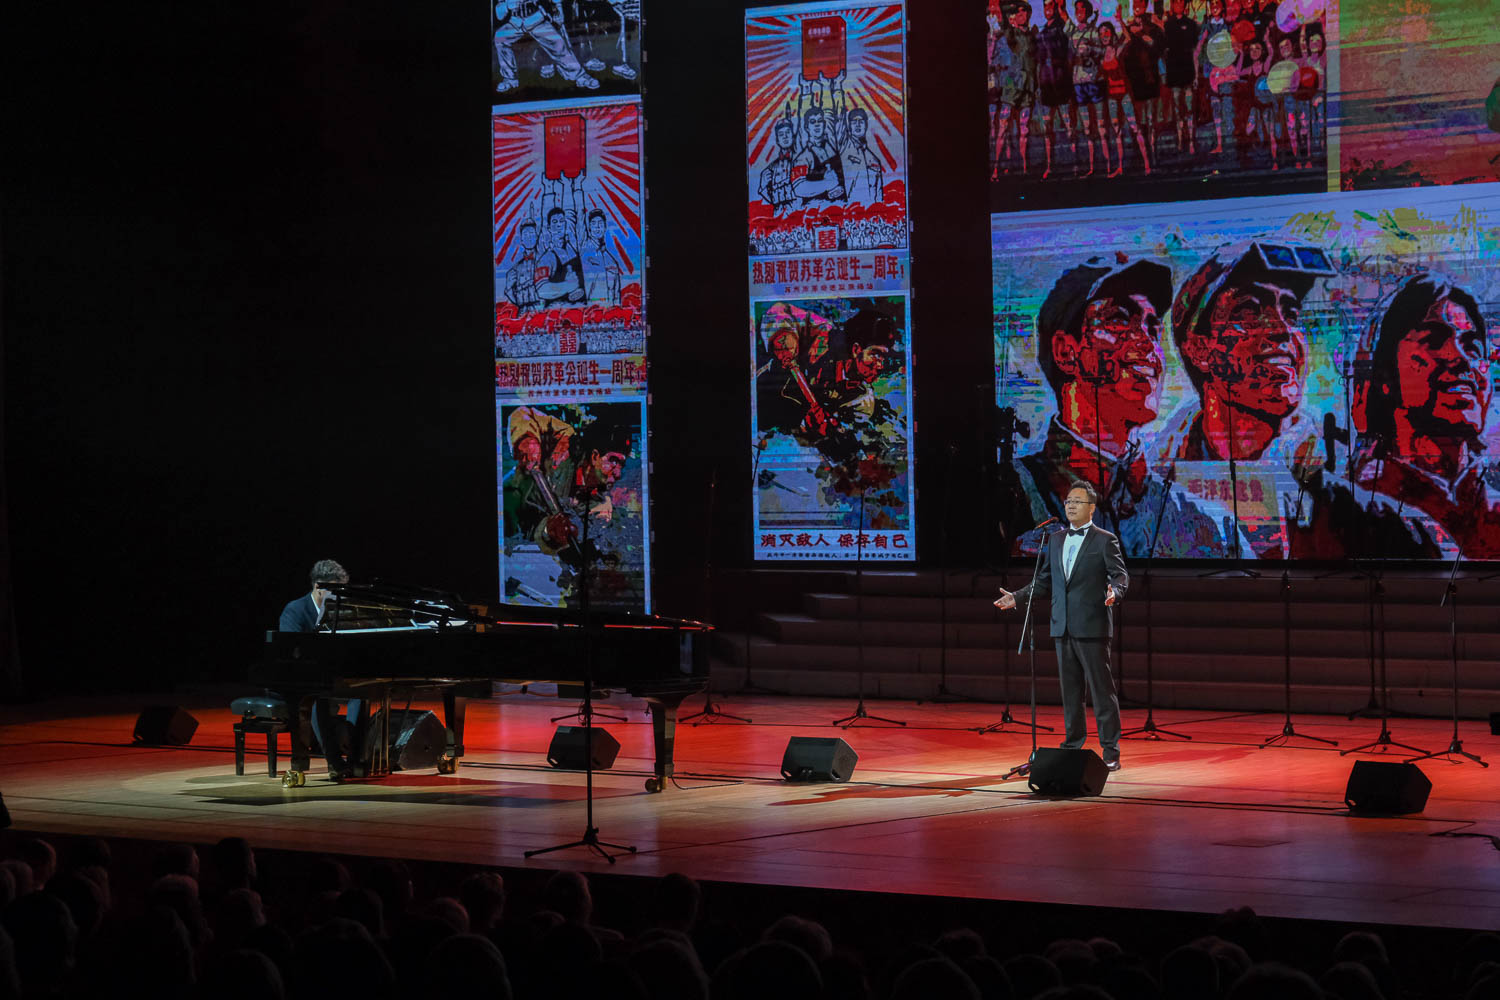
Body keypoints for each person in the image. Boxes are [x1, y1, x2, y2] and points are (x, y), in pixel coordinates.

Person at [997, 256, 1242, 557]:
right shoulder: (1011, 492)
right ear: (1066, 352)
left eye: (1153, 328)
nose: (1148, 343)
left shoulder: (1198, 522)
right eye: (1118, 319)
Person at [1346, 273, 1500, 557]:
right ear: (1384, 374)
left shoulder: (1491, 499)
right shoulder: (1358, 504)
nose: (1461, 358)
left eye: (1473, 347)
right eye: (1434, 341)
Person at [994, 480, 1129, 771]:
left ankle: (1110, 752)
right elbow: (1044, 581)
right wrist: (1017, 597)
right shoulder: (1055, 539)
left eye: (1078, 501)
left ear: (1091, 508)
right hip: (1062, 625)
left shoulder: (1105, 540)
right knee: (1071, 693)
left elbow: (1120, 575)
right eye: (1068, 501)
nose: (1071, 505)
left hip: (1092, 625)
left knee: (1101, 691)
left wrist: (1115, 592)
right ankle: (1072, 746)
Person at [278, 559, 368, 779]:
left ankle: (355, 757)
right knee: (319, 697)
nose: (339, 596)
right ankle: (334, 762)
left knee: (362, 693)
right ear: (319, 587)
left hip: (334, 674)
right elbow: (289, 650)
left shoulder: (341, 609)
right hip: (302, 677)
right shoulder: (295, 610)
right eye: (335, 591)